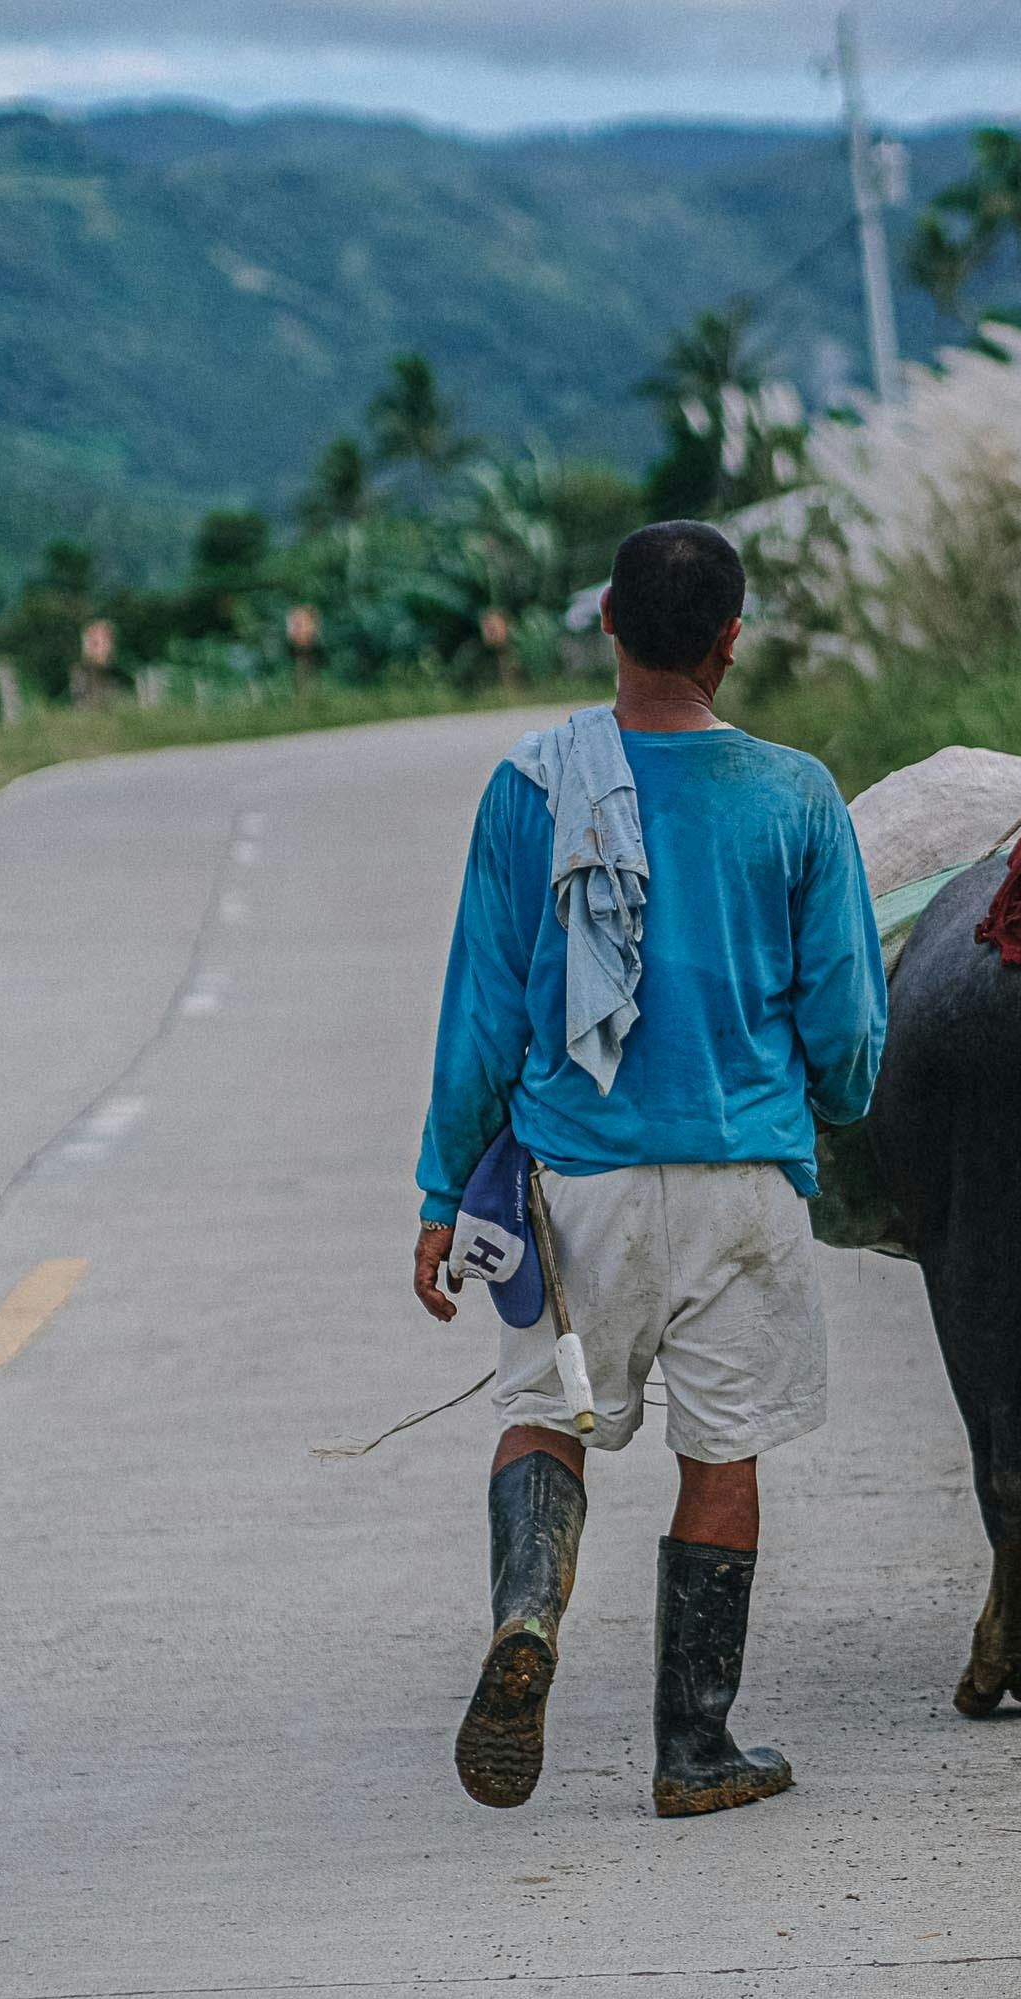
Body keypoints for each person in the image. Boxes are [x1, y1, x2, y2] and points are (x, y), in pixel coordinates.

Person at [410, 520, 888, 1815]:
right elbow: (846, 1027)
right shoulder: (797, 795)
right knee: (722, 1453)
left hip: (581, 1185)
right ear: (733, 642)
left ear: (608, 624)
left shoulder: (532, 787)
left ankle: (529, 1617)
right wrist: (832, 1105)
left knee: (541, 1415)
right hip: (742, 1182)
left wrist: (441, 1194)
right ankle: (694, 1751)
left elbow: (483, 1017)